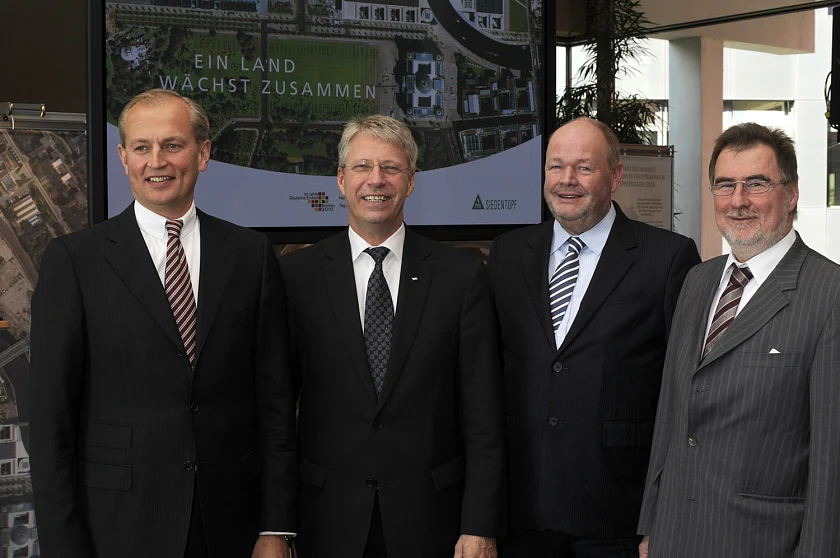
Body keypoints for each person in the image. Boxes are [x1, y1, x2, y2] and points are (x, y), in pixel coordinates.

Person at [29, 89, 298, 558]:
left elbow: (275, 405)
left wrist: (276, 528)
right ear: (123, 157)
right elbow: (51, 423)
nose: (157, 161)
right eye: (142, 146)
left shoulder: (251, 255)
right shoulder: (74, 262)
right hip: (118, 527)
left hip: (230, 524)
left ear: (203, 153)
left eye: (173, 144)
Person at [280, 115, 506, 558]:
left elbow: (484, 415)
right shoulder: (295, 276)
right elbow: (276, 412)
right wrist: (277, 527)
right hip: (325, 519)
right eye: (362, 166)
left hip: (432, 521)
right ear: (341, 180)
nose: (376, 180)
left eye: (391, 168)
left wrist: (480, 524)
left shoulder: (461, 277)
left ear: (411, 181)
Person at [489, 117, 700, 558]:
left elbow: (685, 395)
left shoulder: (667, 258)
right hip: (522, 510)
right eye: (556, 166)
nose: (567, 180)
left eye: (584, 167)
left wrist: (663, 517)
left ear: (615, 176)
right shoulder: (507, 254)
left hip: (619, 514)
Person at [638, 122, 840, 557]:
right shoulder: (697, 280)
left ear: (792, 194)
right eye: (725, 184)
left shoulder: (830, 293)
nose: (738, 200)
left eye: (757, 183)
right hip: (674, 535)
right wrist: (651, 524)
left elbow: (831, 459)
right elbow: (671, 412)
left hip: (763, 543)